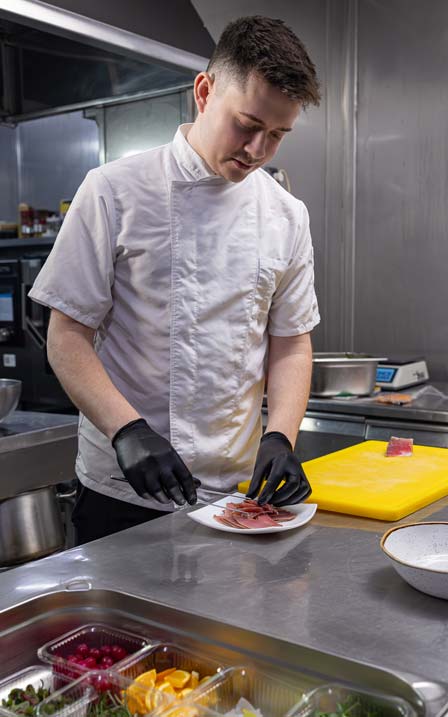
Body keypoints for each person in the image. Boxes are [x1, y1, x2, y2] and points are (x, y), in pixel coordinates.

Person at [29, 15, 321, 544]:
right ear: (204, 92)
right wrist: (127, 429)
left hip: (237, 490)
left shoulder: (287, 215)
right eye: (248, 124)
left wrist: (280, 435)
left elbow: (291, 341)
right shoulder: (112, 191)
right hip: (124, 486)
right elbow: (66, 335)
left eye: (277, 135)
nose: (258, 150)